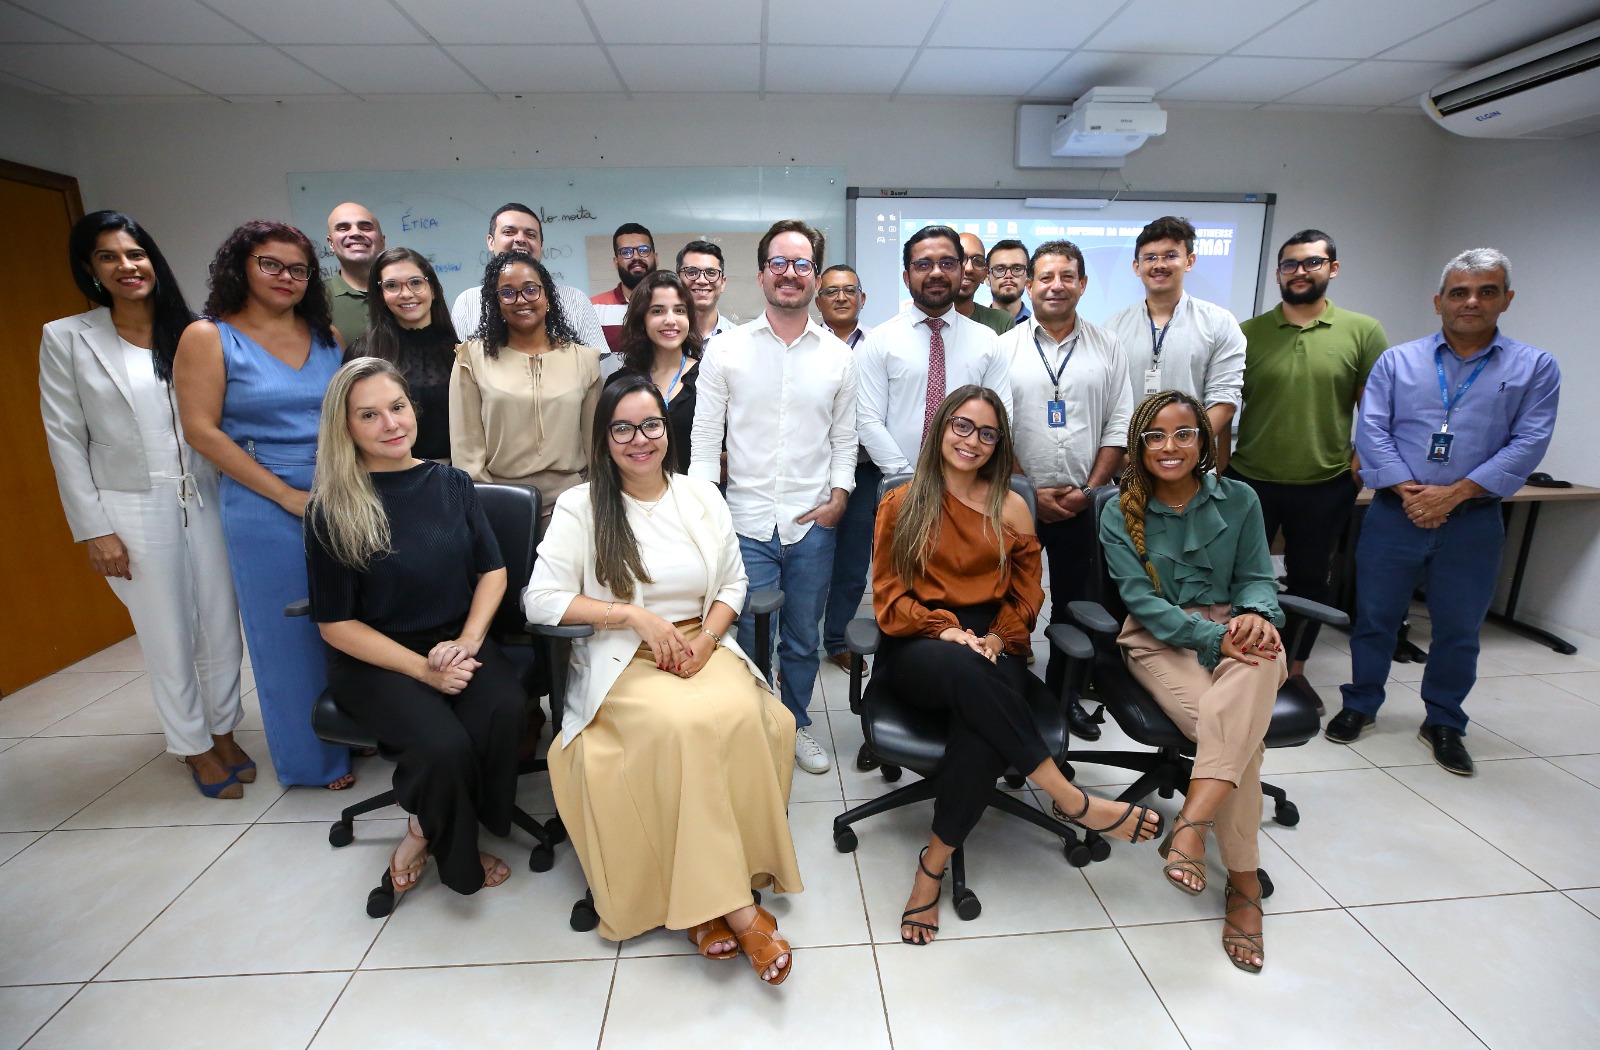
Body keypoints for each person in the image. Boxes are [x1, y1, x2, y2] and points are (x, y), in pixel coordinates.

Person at [525, 374, 803, 985]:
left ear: (666, 430)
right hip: (622, 654)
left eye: (650, 424)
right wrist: (630, 615)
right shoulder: (581, 505)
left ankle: (703, 907)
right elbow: (540, 601)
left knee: (747, 716)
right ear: (603, 438)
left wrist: (706, 639)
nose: (639, 439)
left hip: (702, 642)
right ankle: (735, 908)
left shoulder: (701, 495)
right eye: (621, 428)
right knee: (681, 724)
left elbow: (733, 584)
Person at [874, 385, 1162, 948]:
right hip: (918, 643)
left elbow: (1027, 598)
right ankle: (1072, 800)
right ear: (939, 429)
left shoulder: (1011, 505)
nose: (972, 441)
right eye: (961, 426)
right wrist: (948, 631)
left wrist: (998, 640)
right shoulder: (901, 502)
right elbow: (888, 597)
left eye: (987, 432)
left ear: (998, 444)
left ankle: (931, 865)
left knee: (980, 727)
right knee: (967, 675)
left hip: (991, 643)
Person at [39, 210, 249, 799]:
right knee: (165, 631)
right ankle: (193, 744)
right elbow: (64, 438)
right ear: (90, 269)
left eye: (135, 254)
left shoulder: (192, 330)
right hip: (131, 505)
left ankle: (225, 727)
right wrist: (93, 529)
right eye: (109, 257)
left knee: (219, 622)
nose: (127, 267)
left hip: (205, 496)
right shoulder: (68, 337)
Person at [1329, 249, 1560, 777]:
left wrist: (1453, 494)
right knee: (1375, 619)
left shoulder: (1535, 367)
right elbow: (1373, 430)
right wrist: (1413, 493)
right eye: (1459, 292)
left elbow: (1529, 442)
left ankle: (1444, 720)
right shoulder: (1398, 361)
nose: (1471, 302)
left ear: (1506, 299)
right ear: (1439, 301)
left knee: (1458, 628)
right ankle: (1361, 703)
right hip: (1395, 512)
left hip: (1473, 518)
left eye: (1486, 291)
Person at [306, 357, 524, 897]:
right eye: (369, 415)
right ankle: (454, 848)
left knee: (506, 711)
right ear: (346, 427)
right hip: (377, 658)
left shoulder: (450, 483)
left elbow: (493, 573)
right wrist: (425, 673)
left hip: (456, 637)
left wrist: (469, 642)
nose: (391, 424)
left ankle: (429, 822)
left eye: (397, 407)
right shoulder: (331, 508)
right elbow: (336, 624)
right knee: (442, 747)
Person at [1100, 389, 1287, 973]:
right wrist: (1210, 639)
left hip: (1241, 629)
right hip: (1161, 637)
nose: (1169, 447)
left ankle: (1193, 824)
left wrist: (1254, 615)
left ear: (1204, 442)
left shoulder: (1241, 499)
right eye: (1155, 436)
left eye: (1183, 433)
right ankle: (1244, 884)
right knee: (1237, 739)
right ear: (1138, 446)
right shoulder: (1118, 510)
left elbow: (1258, 576)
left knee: (1237, 701)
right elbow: (1141, 601)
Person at [173, 220, 353, 790]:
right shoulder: (207, 336)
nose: (285, 278)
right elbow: (201, 431)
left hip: (339, 496)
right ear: (241, 269)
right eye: (270, 265)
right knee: (289, 639)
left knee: (350, 623)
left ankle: (356, 732)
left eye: (298, 269)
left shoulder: (326, 335)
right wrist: (284, 495)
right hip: (263, 501)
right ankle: (312, 761)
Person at [691, 219, 858, 776]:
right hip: (743, 521)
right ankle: (751, 727)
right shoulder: (726, 352)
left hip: (812, 524)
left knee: (803, 638)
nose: (790, 274)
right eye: (779, 263)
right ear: (762, 273)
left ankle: (793, 725)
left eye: (802, 264)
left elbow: (844, 440)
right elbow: (704, 442)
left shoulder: (838, 356)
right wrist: (704, 513)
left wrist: (840, 497)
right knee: (746, 638)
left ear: (814, 276)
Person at [1229, 230, 1389, 685]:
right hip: (1250, 480)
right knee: (1240, 578)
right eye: (1290, 264)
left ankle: (1293, 670)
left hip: (1325, 483)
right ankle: (1244, 665)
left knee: (1309, 583)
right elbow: (1222, 407)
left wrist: (1361, 465)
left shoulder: (1362, 330)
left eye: (1312, 263)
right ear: (1278, 272)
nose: (1300, 271)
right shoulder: (1248, 334)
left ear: (1332, 269)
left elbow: (1375, 410)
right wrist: (1220, 471)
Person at [999, 240, 1132, 738]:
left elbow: (1120, 423)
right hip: (1015, 501)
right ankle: (1007, 690)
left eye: (1067, 276)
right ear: (1030, 284)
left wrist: (1091, 489)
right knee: (1008, 598)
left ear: (1082, 284)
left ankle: (1065, 695)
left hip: (1085, 501)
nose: (1056, 285)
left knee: (1077, 601)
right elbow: (995, 426)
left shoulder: (1107, 347)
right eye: (1046, 276)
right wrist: (1029, 490)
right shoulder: (1004, 349)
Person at [449, 250, 603, 527]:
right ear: (495, 303)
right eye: (507, 293)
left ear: (548, 297)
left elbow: (595, 445)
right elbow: (466, 448)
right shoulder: (471, 358)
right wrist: (486, 503)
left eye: (530, 290)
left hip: (572, 501)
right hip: (499, 500)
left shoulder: (585, 360)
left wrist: (590, 495)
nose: (521, 300)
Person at [858, 224, 1012, 478]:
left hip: (969, 486)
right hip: (900, 486)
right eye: (923, 265)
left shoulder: (988, 342)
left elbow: (1001, 419)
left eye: (947, 264)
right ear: (907, 277)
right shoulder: (880, 340)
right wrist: (907, 479)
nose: (936, 273)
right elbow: (868, 421)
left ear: (962, 272)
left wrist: (967, 477)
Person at [1104, 216, 1245, 473]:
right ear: (1137, 266)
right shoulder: (1112, 327)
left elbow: (1224, 401)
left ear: (1189, 261)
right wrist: (1130, 458)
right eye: (1150, 257)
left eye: (1170, 255)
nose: (1159, 265)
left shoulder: (1219, 323)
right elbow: (1106, 406)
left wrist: (1180, 449)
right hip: (1128, 467)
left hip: (1191, 467)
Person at [816, 264, 877, 678]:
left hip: (865, 468)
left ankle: (837, 638)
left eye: (849, 290)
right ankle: (795, 643)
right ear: (817, 300)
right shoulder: (805, 344)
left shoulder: (878, 347)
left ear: (862, 298)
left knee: (853, 563)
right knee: (807, 560)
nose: (841, 297)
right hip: (813, 470)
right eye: (831, 291)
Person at [448, 202, 607, 355]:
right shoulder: (467, 302)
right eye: (509, 232)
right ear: (491, 241)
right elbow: (462, 364)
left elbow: (600, 363)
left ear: (541, 246)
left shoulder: (575, 300)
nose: (520, 239)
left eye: (530, 234)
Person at [347, 247, 457, 462]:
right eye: (391, 286)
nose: (406, 293)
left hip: (452, 474)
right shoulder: (362, 353)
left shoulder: (461, 353)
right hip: (384, 474)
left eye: (416, 282)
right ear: (380, 295)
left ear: (432, 289)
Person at [608, 270, 702, 469]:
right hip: (637, 494)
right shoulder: (619, 382)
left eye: (679, 310)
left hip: (697, 494)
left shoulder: (710, 378)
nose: (670, 320)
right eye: (657, 311)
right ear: (642, 320)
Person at [591, 222, 657, 354]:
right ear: (616, 262)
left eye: (643, 250)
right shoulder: (593, 308)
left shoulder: (674, 305)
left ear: (655, 257)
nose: (636, 257)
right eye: (626, 252)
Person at [324, 202, 385, 340]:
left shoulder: (403, 292)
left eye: (366, 227)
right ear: (331, 243)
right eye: (343, 228)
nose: (356, 233)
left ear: (382, 242)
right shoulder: (314, 297)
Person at [675, 240, 739, 345]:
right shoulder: (665, 337)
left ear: (722, 283)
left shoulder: (741, 340)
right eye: (692, 272)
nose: (702, 280)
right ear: (677, 280)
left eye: (711, 273)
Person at [954, 232, 1015, 335]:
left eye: (978, 261)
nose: (969, 268)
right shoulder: (926, 319)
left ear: (984, 274)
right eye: (961, 258)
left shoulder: (1001, 322)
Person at [986, 239, 1031, 325]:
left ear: (1028, 276)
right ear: (987, 278)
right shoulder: (973, 326)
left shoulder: (1039, 327)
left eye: (1017, 269)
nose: (1008, 275)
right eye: (1000, 269)